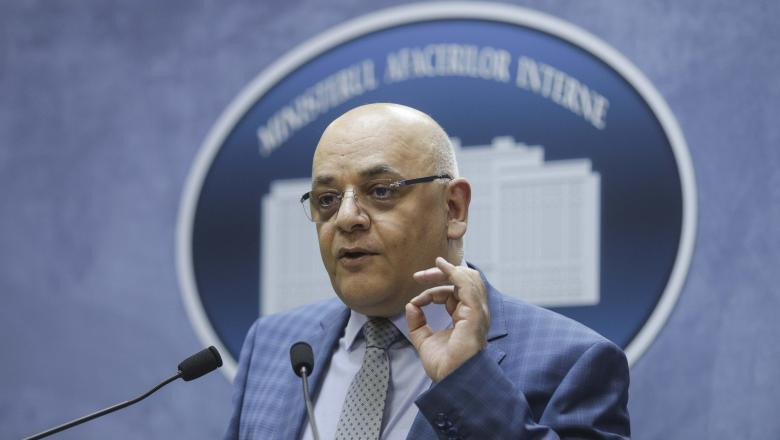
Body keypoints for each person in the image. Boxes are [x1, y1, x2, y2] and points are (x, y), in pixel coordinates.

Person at [225, 103, 630, 439]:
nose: (346, 218)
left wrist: (468, 380)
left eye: (381, 190)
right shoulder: (271, 344)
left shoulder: (574, 363)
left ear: (453, 209)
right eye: (327, 199)